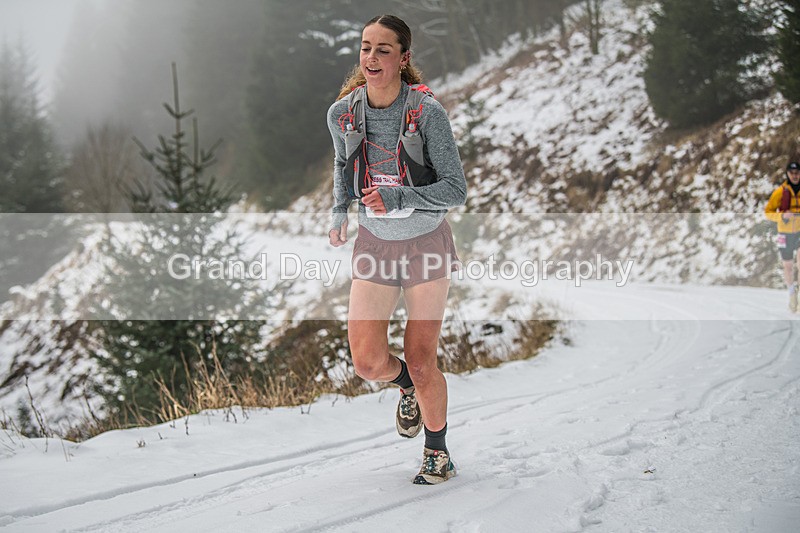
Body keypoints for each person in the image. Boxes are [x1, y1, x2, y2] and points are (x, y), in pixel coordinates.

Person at [326, 14, 467, 484]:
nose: (371, 57)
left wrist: (400, 197)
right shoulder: (343, 113)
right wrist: (339, 211)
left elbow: (455, 190)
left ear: (403, 59)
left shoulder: (426, 113)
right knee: (367, 361)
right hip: (375, 244)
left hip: (425, 243)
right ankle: (405, 385)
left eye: (383, 49)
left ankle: (437, 450)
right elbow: (343, 161)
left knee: (423, 357)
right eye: (366, 47)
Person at [765, 161, 800, 312]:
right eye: (792, 173)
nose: (795, 176)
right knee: (788, 266)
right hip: (784, 233)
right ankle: (792, 293)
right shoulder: (780, 192)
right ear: (787, 174)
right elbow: (768, 212)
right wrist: (781, 216)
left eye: (797, 173)